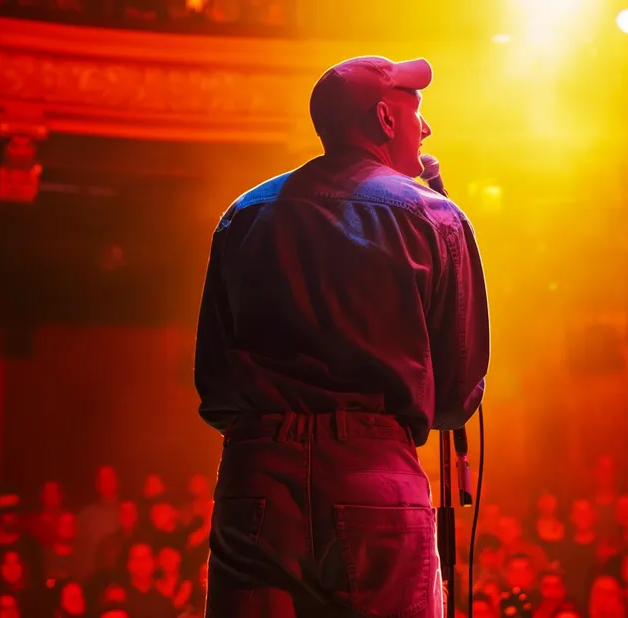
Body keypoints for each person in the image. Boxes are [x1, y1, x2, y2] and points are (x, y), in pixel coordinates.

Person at [194, 55, 490, 617]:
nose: (425, 128)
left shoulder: (244, 215)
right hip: (374, 480)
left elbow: (216, 387)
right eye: (416, 112)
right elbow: (456, 399)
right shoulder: (434, 218)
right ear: (384, 119)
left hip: (255, 477)